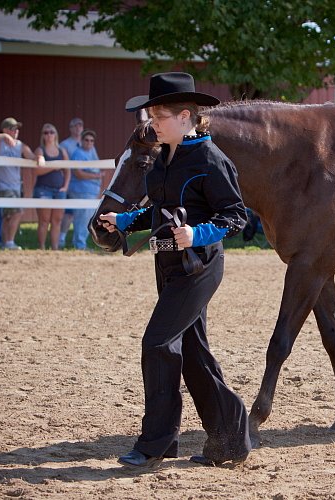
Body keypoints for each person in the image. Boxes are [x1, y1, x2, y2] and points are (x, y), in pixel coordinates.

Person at [98, 72, 251, 468]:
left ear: (186, 117)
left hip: (199, 267)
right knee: (194, 354)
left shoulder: (210, 159)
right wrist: (126, 220)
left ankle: (156, 444)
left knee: (158, 344)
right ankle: (229, 442)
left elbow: (236, 216)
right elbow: (159, 209)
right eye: (150, 115)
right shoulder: (165, 156)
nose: (151, 123)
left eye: (159, 116)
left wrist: (197, 233)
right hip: (166, 262)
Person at [0, 117, 40, 250]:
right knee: (16, 213)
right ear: (5, 130)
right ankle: (8, 242)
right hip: (2, 185)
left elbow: (31, 156)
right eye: (13, 129)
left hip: (16, 185)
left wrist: (39, 157)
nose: (16, 132)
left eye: (17, 129)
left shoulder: (20, 145)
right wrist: (3, 136)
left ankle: (6, 242)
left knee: (9, 216)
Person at [34, 123, 70, 250]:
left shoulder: (62, 151)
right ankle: (42, 247)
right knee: (44, 220)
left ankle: (55, 248)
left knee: (57, 221)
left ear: (55, 135)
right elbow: (37, 171)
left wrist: (65, 186)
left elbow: (67, 170)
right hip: (43, 189)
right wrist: (53, 167)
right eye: (46, 132)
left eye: (51, 132)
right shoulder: (40, 150)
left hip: (59, 190)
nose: (49, 135)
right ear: (42, 136)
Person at [59, 117, 94, 247]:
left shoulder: (89, 144)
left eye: (80, 125)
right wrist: (65, 183)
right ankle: (61, 239)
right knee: (67, 215)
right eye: (75, 126)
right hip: (69, 184)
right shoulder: (65, 145)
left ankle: (74, 241)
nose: (78, 128)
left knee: (79, 215)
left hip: (84, 185)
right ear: (71, 128)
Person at [68, 129, 102, 250]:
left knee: (85, 218)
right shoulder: (78, 153)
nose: (89, 142)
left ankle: (78, 243)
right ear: (81, 141)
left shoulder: (92, 151)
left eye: (92, 141)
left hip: (90, 191)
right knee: (82, 219)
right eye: (86, 140)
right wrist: (96, 176)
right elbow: (78, 173)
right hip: (80, 191)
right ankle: (80, 245)